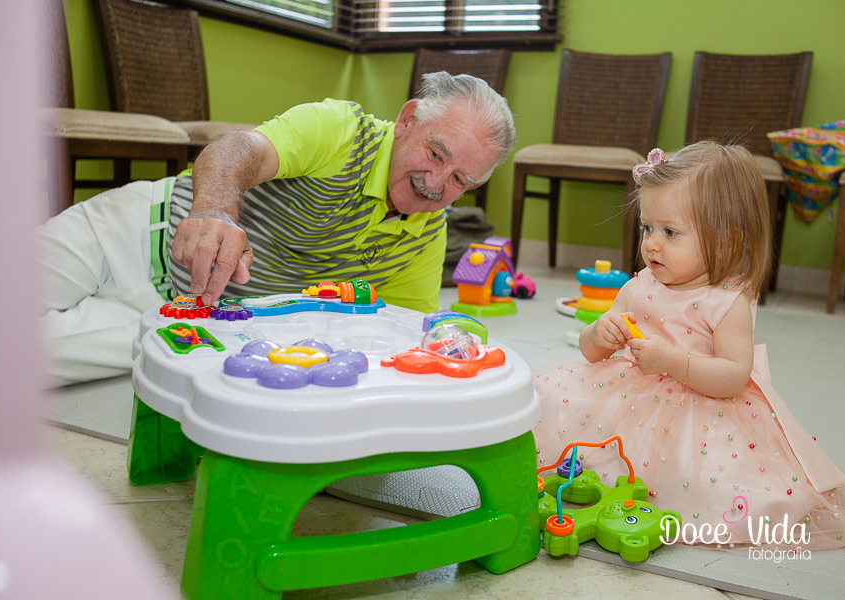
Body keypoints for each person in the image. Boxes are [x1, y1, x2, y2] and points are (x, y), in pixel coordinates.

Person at [38, 72, 515, 386]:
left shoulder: (426, 236)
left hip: (178, 320)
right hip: (134, 231)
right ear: (408, 120)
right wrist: (215, 211)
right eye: (435, 154)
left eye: (461, 180)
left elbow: (402, 332)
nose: (436, 184)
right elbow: (236, 150)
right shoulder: (342, 130)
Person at [533, 141, 845, 551]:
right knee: (546, 398)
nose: (652, 244)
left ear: (727, 240)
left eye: (670, 232)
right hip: (625, 393)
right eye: (647, 228)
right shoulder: (638, 286)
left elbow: (733, 376)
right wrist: (598, 334)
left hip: (700, 405)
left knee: (715, 477)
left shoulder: (725, 302)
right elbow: (592, 353)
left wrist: (673, 361)